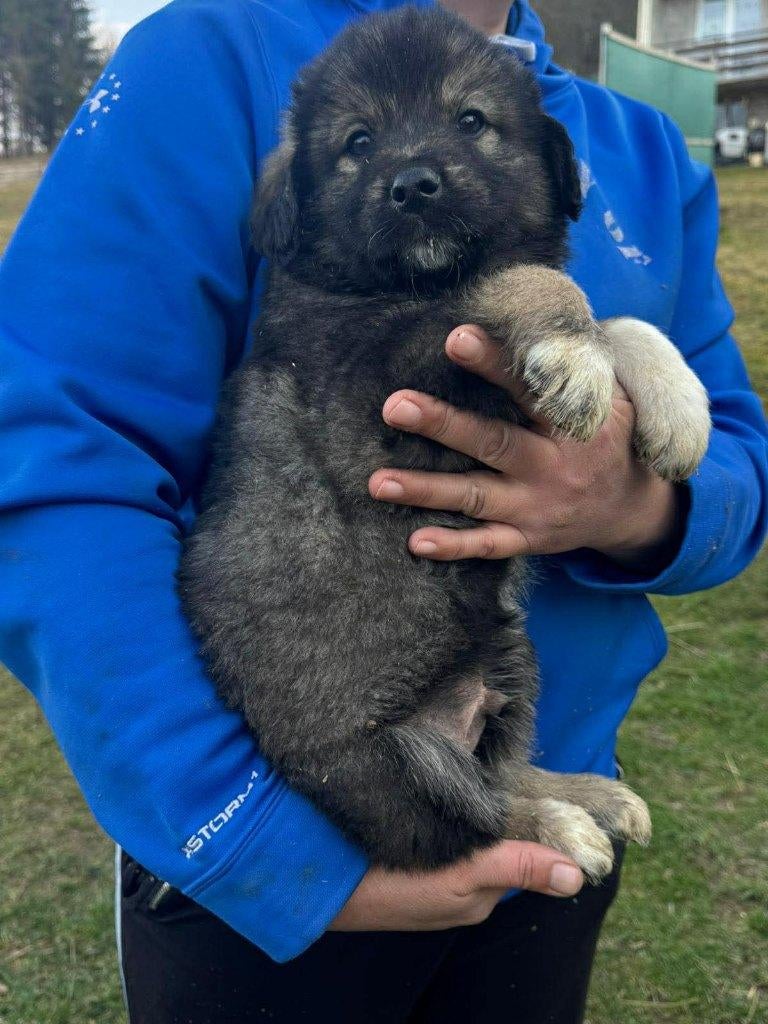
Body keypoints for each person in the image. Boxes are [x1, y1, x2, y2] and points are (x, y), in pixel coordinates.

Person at [0, 0, 765, 1021]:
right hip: (275, 838)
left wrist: (636, 502)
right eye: (361, 146)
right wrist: (243, 834)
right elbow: (56, 456)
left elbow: (736, 460)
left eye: (471, 124)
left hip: (542, 810)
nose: (415, 168)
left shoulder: (642, 147)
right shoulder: (201, 62)